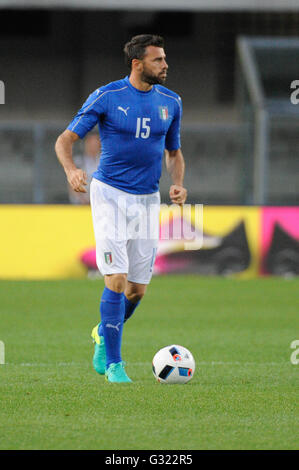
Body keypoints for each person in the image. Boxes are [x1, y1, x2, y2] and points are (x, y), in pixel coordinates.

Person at [55, 34, 187, 383]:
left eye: (164, 58)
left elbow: (173, 152)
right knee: (115, 279)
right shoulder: (108, 96)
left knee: (137, 289)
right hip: (110, 194)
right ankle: (114, 363)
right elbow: (65, 139)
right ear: (137, 63)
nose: (165, 65)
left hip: (147, 200)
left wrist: (177, 182)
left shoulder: (171, 102)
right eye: (158, 60)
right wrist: (72, 170)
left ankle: (103, 331)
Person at [68, 133, 100, 205]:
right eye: (91, 144)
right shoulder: (78, 161)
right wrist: (83, 200)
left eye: (95, 144)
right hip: (81, 204)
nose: (93, 147)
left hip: (99, 203)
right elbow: (72, 184)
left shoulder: (103, 162)